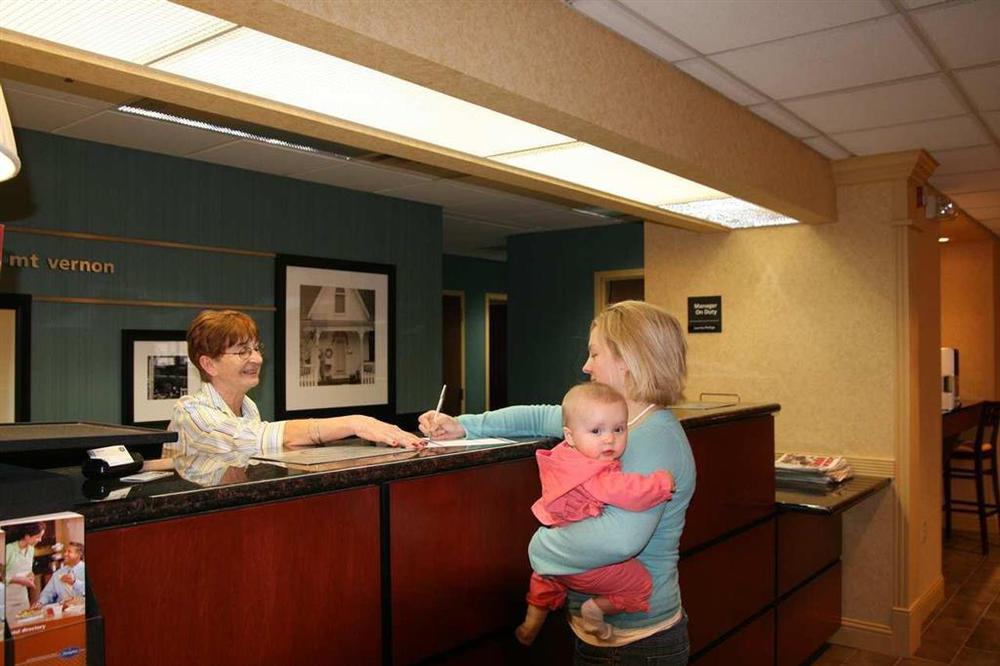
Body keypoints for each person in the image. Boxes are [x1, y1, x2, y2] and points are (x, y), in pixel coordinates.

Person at [420, 300, 696, 664]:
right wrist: (465, 425)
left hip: (637, 642)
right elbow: (536, 416)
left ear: (627, 359)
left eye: (594, 353)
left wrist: (540, 549)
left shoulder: (653, 437)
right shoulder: (613, 422)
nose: (586, 365)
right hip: (606, 637)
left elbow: (619, 540)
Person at [166, 310, 422, 484]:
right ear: (209, 365)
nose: (256, 359)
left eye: (256, 349)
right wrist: (356, 423)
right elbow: (262, 438)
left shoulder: (248, 407)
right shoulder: (191, 412)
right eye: (242, 352)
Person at [515, 382, 675, 645]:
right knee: (641, 584)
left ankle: (531, 623)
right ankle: (596, 610)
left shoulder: (563, 458)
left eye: (619, 429)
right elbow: (628, 492)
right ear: (569, 435)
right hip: (586, 564)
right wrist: (662, 483)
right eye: (596, 431)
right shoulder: (592, 471)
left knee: (545, 578)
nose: (609, 438)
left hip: (557, 557)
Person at [4, 522, 45, 610]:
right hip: (6, 599)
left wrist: (31, 575)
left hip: (22, 598)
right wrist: (18, 580)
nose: (40, 540)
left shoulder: (31, 549)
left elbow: (27, 570)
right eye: (38, 537)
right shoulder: (8, 549)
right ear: (27, 536)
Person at [34, 541, 85, 607]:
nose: (65, 554)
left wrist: (74, 582)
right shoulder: (58, 574)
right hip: (62, 611)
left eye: (69, 552)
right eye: (65, 551)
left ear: (79, 555)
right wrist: (40, 603)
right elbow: (47, 593)